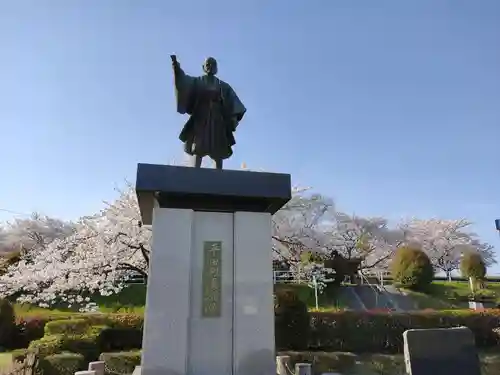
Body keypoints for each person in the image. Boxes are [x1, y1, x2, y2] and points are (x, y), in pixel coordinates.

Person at [171, 55, 246, 169]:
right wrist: (176, 67)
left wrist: (234, 113)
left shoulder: (222, 85)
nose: (210, 67)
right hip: (201, 117)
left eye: (213, 65)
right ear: (203, 67)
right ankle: (195, 172)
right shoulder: (197, 82)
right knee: (199, 146)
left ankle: (219, 174)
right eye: (208, 64)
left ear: (216, 68)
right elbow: (184, 82)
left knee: (218, 147)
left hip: (217, 118)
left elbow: (232, 101)